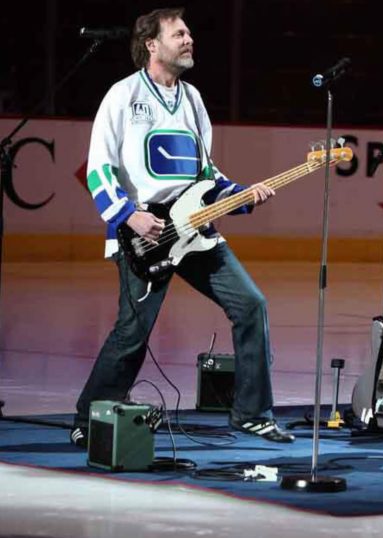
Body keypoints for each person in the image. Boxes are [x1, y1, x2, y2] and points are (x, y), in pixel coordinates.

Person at [71, 8, 292, 447]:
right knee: (132, 333)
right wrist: (126, 216)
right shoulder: (123, 94)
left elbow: (206, 172)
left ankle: (252, 414)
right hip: (145, 233)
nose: (189, 39)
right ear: (152, 44)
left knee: (251, 305)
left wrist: (239, 195)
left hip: (195, 231)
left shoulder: (192, 99)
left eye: (189, 32)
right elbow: (98, 168)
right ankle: (89, 416)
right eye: (179, 33)